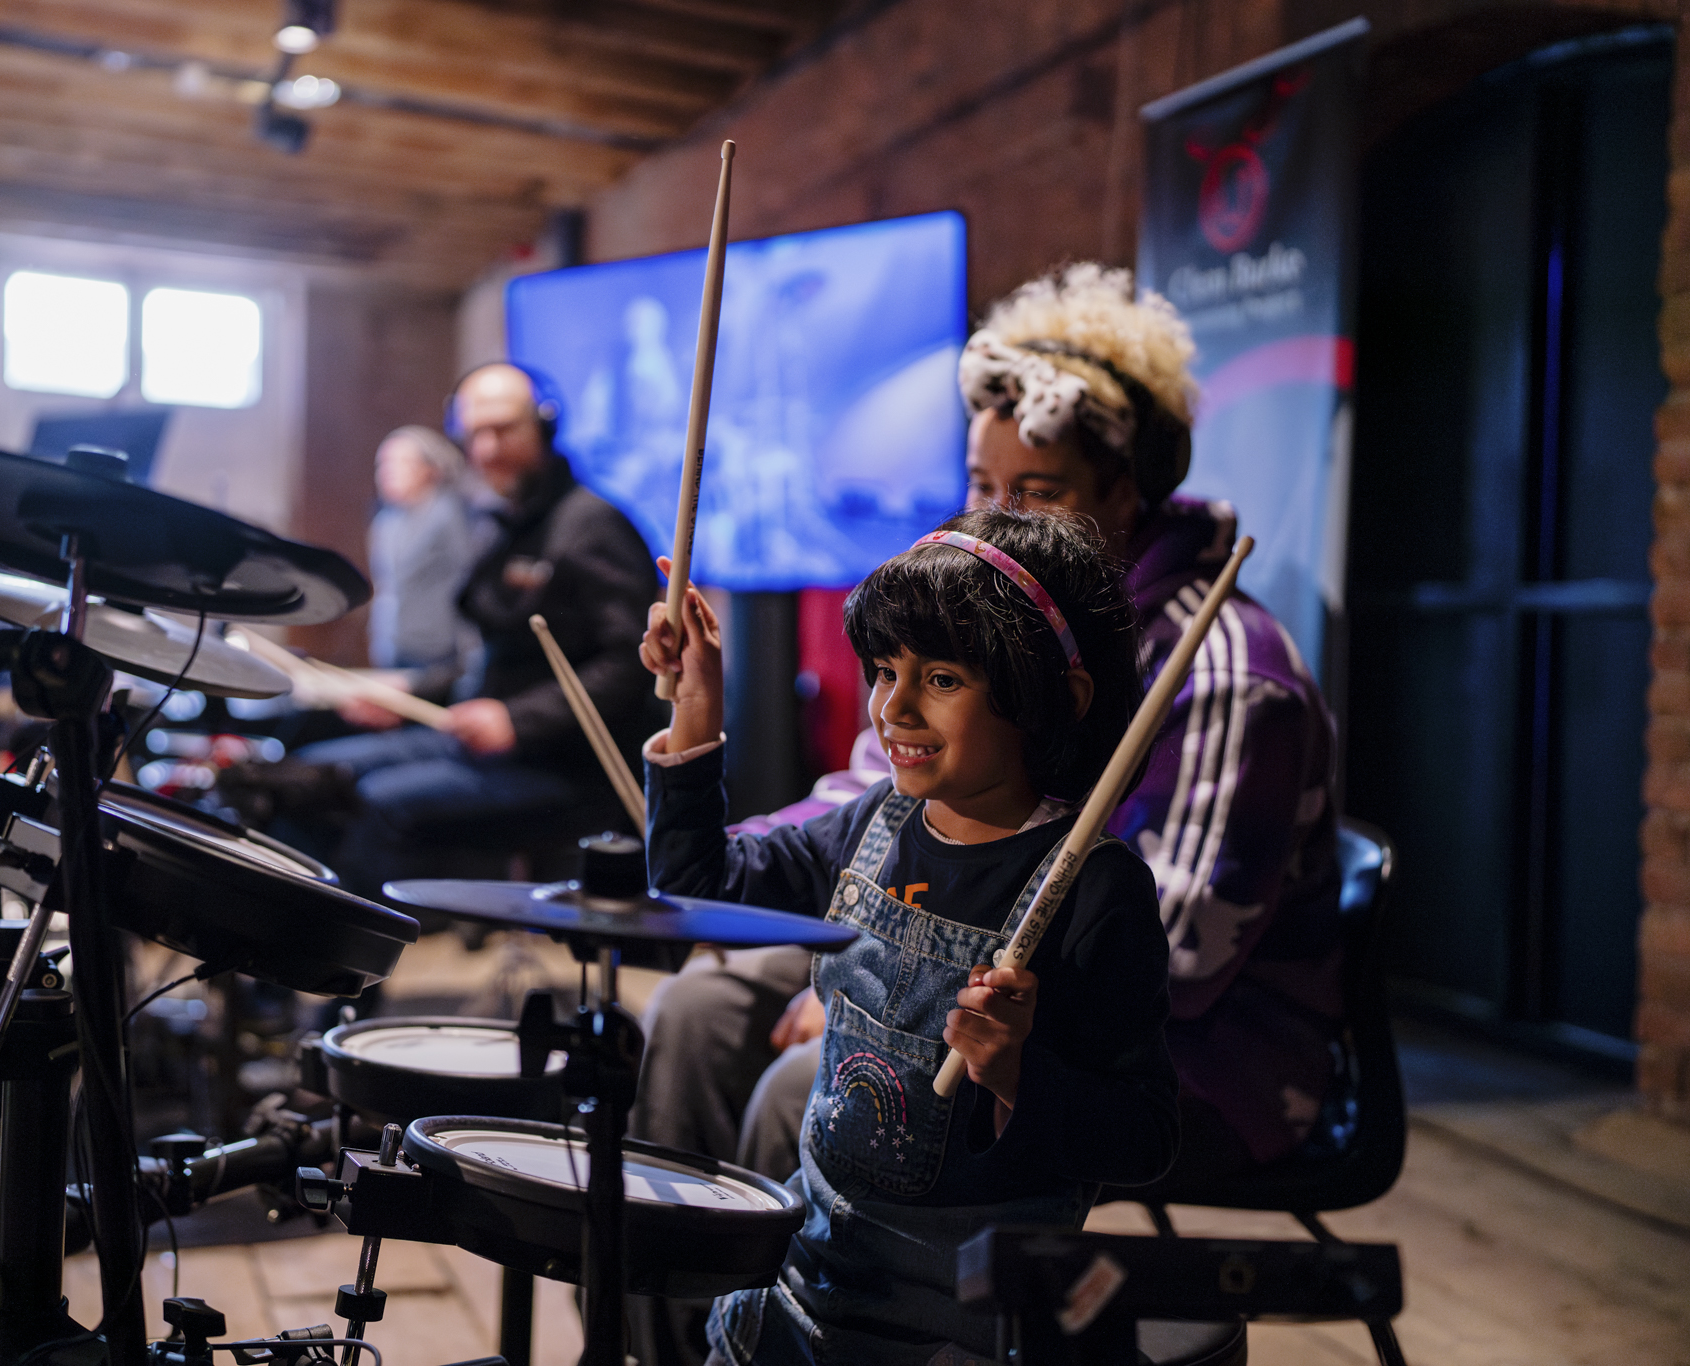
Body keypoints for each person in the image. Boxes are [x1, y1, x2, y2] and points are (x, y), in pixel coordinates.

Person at [633, 263, 1343, 1208]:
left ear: (1129, 489)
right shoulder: (960, 634)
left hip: (1172, 1054)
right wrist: (760, 887)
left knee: (806, 1089)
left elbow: (1174, 956)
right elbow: (873, 810)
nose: (1000, 518)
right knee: (700, 1008)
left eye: (1039, 491)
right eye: (981, 483)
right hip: (945, 958)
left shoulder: (1226, 672)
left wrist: (877, 993)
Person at [641, 506, 1178, 1366]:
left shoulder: (1096, 889)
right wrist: (700, 706)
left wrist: (1017, 1073)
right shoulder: (875, 823)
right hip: (810, 1272)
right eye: (886, 671)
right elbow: (699, 884)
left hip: (969, 1318)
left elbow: (1144, 1138)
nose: (894, 707)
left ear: (1058, 697)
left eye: (943, 679)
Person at [295, 363, 661, 899]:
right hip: (490, 750)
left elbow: (629, 664)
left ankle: (357, 951)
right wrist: (409, 691)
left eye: (503, 429)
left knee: (373, 801)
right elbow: (494, 662)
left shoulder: (590, 525)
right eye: (475, 434)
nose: (487, 449)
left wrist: (517, 719)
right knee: (311, 778)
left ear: (545, 427)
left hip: (565, 768)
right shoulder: (505, 524)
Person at [364, 425, 485, 685]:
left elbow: (469, 577)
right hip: (392, 646)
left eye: (400, 463)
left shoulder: (449, 514)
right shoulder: (386, 521)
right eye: (383, 464)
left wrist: (470, 655)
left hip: (438, 654)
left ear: (430, 469)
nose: (387, 472)